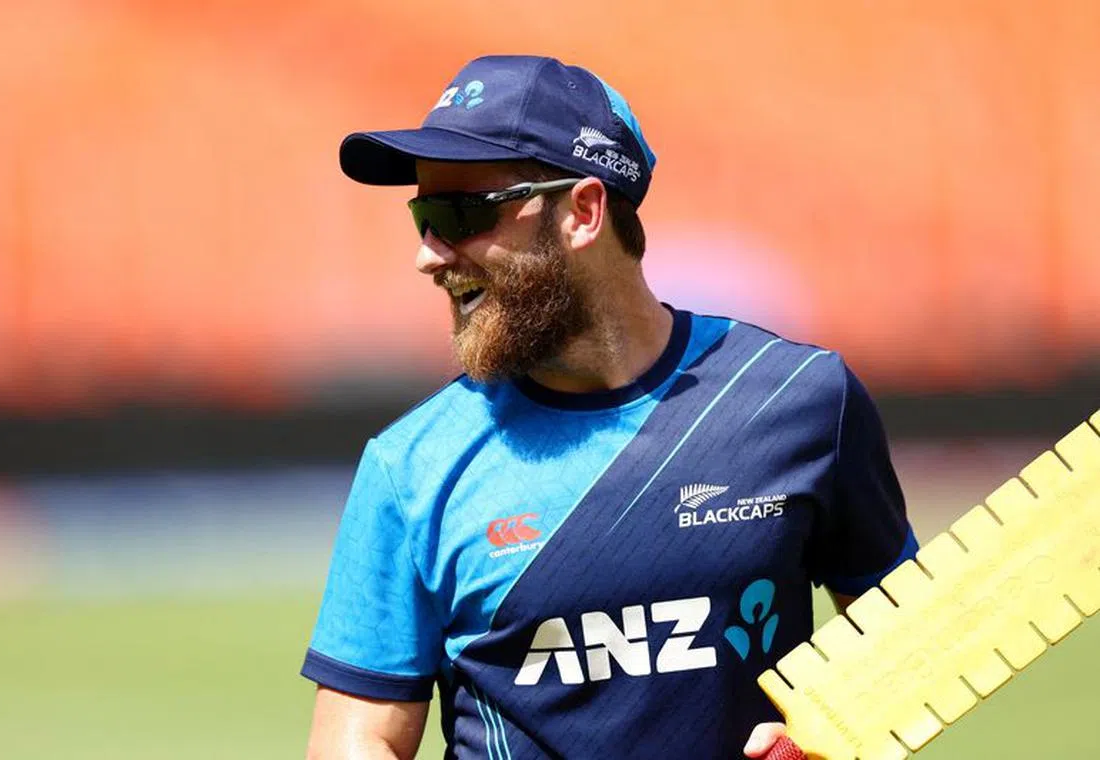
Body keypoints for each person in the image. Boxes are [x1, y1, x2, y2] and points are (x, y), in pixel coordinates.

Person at [301, 54, 917, 759]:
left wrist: (836, 739)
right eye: (423, 216)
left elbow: (909, 650)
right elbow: (359, 741)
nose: (429, 256)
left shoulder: (802, 401)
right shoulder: (410, 467)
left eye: (459, 213)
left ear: (585, 212)